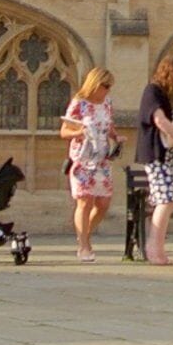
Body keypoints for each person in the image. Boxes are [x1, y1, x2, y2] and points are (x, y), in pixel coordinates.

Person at [134, 59, 173, 266]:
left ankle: (157, 247)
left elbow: (172, 123)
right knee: (166, 199)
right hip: (156, 155)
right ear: (170, 71)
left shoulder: (170, 95)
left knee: (167, 199)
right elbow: (159, 121)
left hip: (169, 155)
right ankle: (153, 247)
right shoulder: (153, 91)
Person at [60, 67, 119, 261]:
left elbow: (109, 126)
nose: (107, 90)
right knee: (85, 201)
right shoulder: (79, 104)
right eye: (105, 86)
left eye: (109, 87)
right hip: (83, 159)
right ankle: (84, 246)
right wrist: (79, 133)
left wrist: (116, 137)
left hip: (102, 159)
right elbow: (64, 132)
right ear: (94, 84)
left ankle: (84, 235)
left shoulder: (107, 103)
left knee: (103, 203)